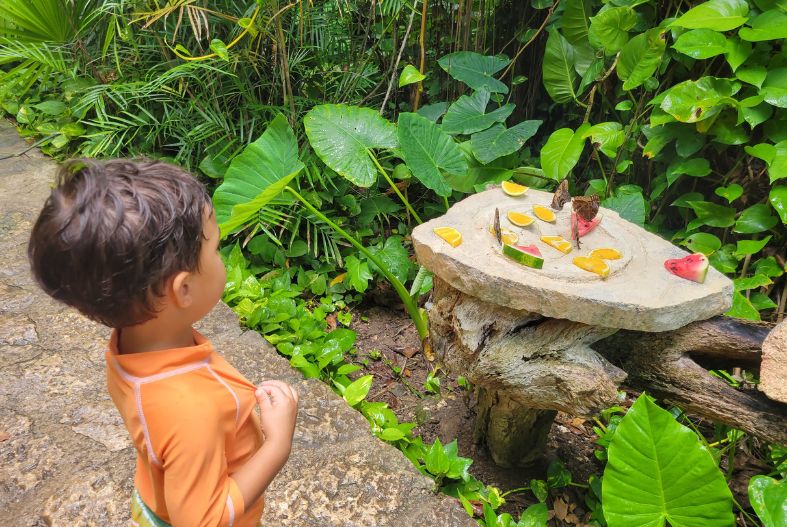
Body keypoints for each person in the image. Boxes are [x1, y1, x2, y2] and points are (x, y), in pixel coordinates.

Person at [27, 159, 298, 527]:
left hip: (156, 497)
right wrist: (277, 445)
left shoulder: (129, 345)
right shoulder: (192, 409)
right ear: (183, 289)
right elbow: (204, 521)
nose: (221, 258)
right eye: (215, 249)